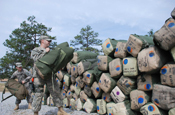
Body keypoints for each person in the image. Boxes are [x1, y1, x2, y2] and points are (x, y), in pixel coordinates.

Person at [30, 35, 70, 115]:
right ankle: (35, 112)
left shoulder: (50, 51)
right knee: (39, 93)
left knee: (56, 91)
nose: (49, 42)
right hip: (38, 75)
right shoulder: (36, 50)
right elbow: (35, 59)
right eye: (48, 40)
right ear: (42, 41)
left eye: (50, 41)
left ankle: (60, 110)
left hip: (49, 75)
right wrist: (45, 52)